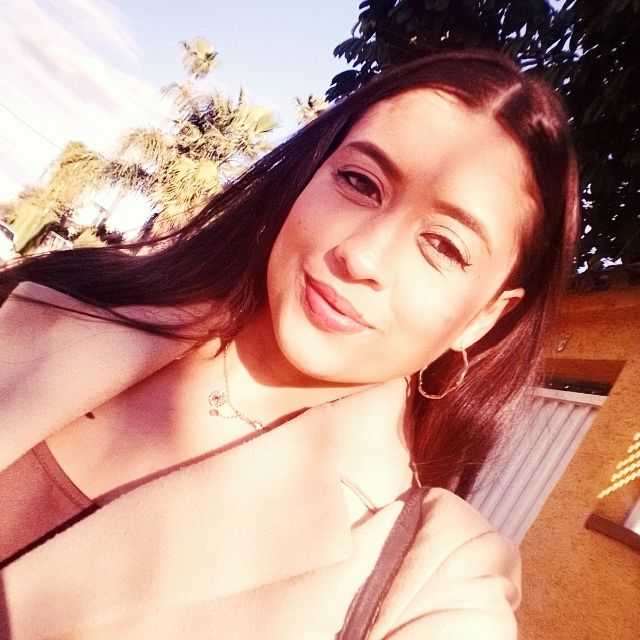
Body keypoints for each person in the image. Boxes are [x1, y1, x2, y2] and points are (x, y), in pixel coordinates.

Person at [0, 49, 578, 639]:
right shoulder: (70, 296)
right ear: (309, 175)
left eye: (445, 246)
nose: (361, 256)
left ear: (483, 318)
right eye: (360, 182)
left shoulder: (436, 579)